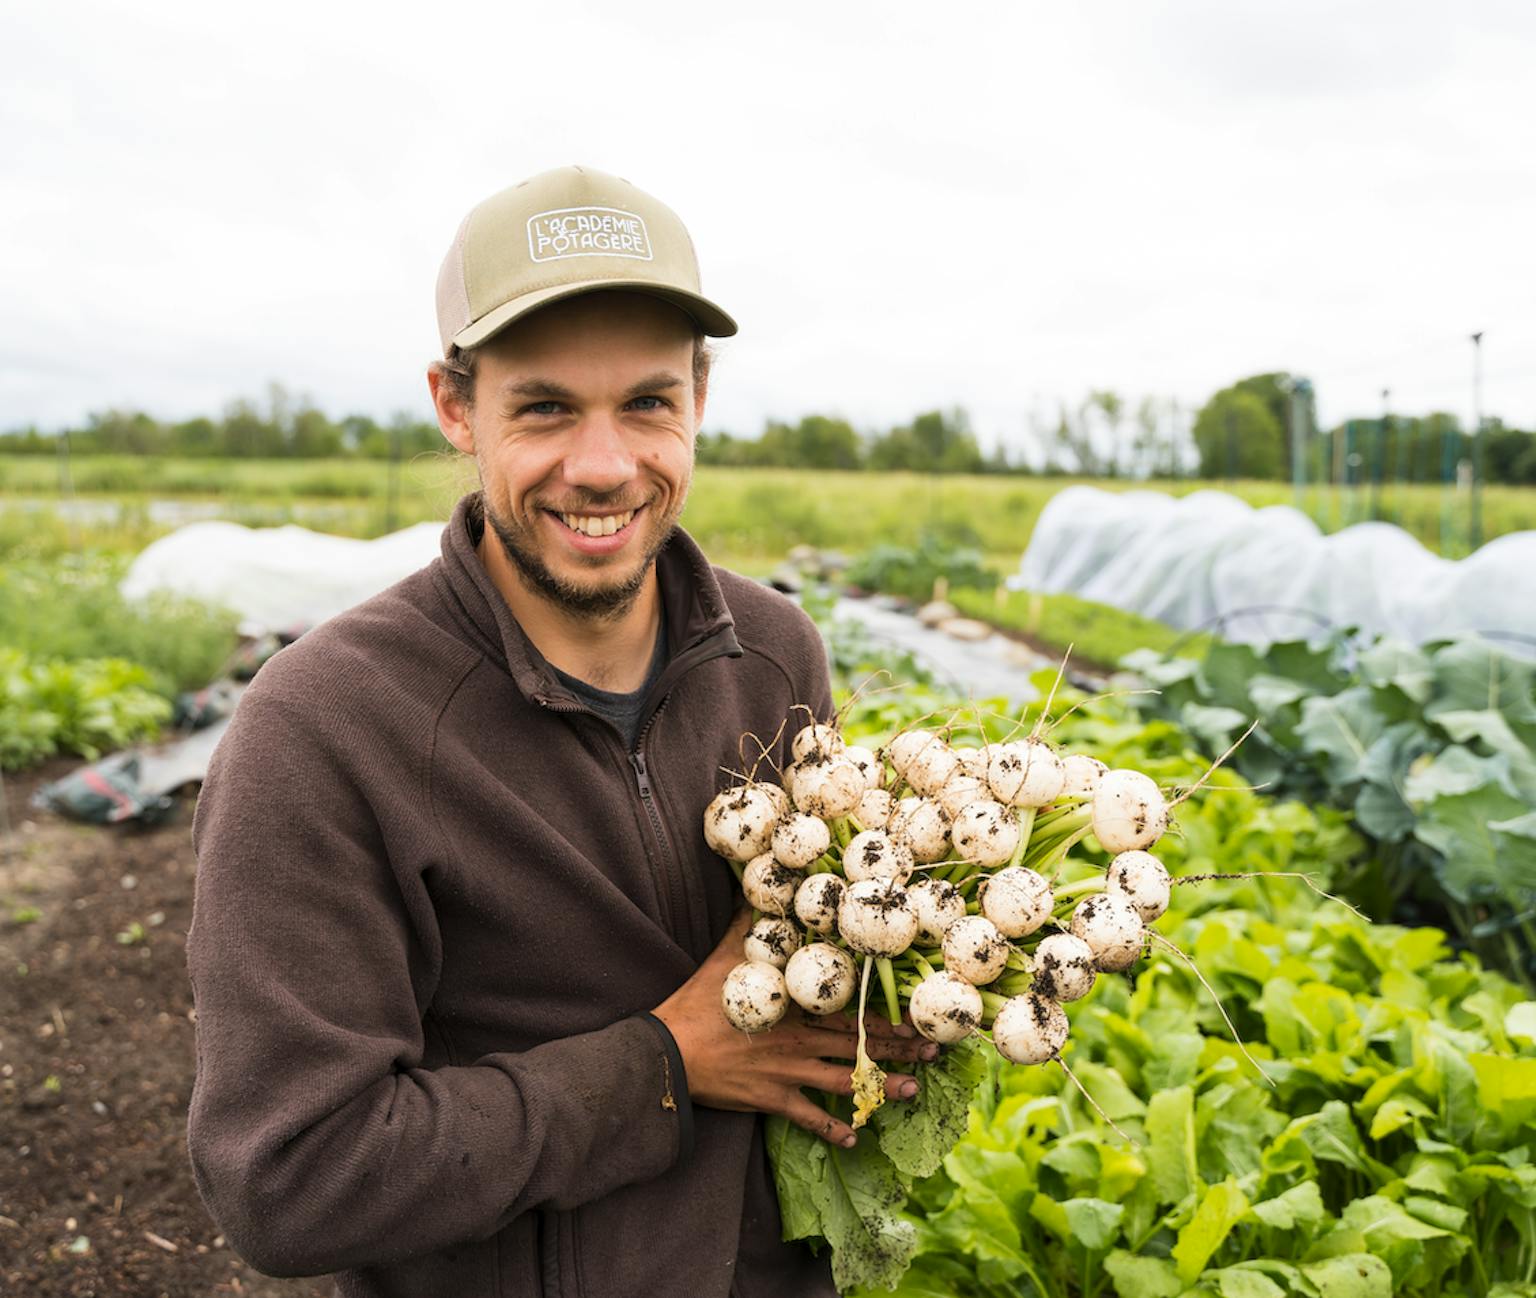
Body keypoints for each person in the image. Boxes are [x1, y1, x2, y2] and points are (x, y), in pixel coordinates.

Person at [185, 165, 934, 1298]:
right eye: (543, 407)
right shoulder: (325, 726)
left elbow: (794, 978)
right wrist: (667, 1066)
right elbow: (291, 1175)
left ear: (699, 397)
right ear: (455, 404)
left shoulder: (773, 653)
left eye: (647, 401)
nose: (603, 465)